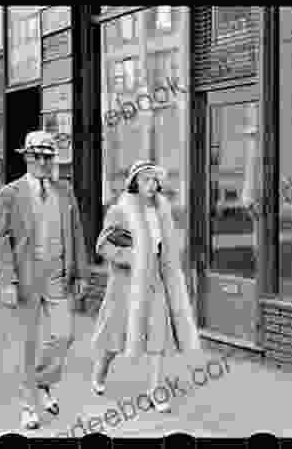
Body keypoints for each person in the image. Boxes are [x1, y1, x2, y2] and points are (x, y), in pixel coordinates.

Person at [0, 131, 89, 430]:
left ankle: (43, 382)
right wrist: (6, 281)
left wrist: (82, 273)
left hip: (58, 274)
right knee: (28, 344)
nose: (44, 162)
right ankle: (28, 406)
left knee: (64, 335)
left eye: (49, 157)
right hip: (26, 279)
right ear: (27, 158)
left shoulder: (65, 190)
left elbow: (77, 232)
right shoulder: (9, 193)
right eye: (37, 156)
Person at [91, 160, 201, 413]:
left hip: (155, 282)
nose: (151, 185)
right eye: (145, 180)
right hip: (126, 284)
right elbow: (102, 246)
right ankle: (100, 372)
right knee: (115, 337)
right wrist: (132, 258)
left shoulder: (163, 210)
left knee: (158, 336)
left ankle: (155, 391)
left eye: (154, 180)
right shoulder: (120, 211)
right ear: (135, 183)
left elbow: (166, 248)